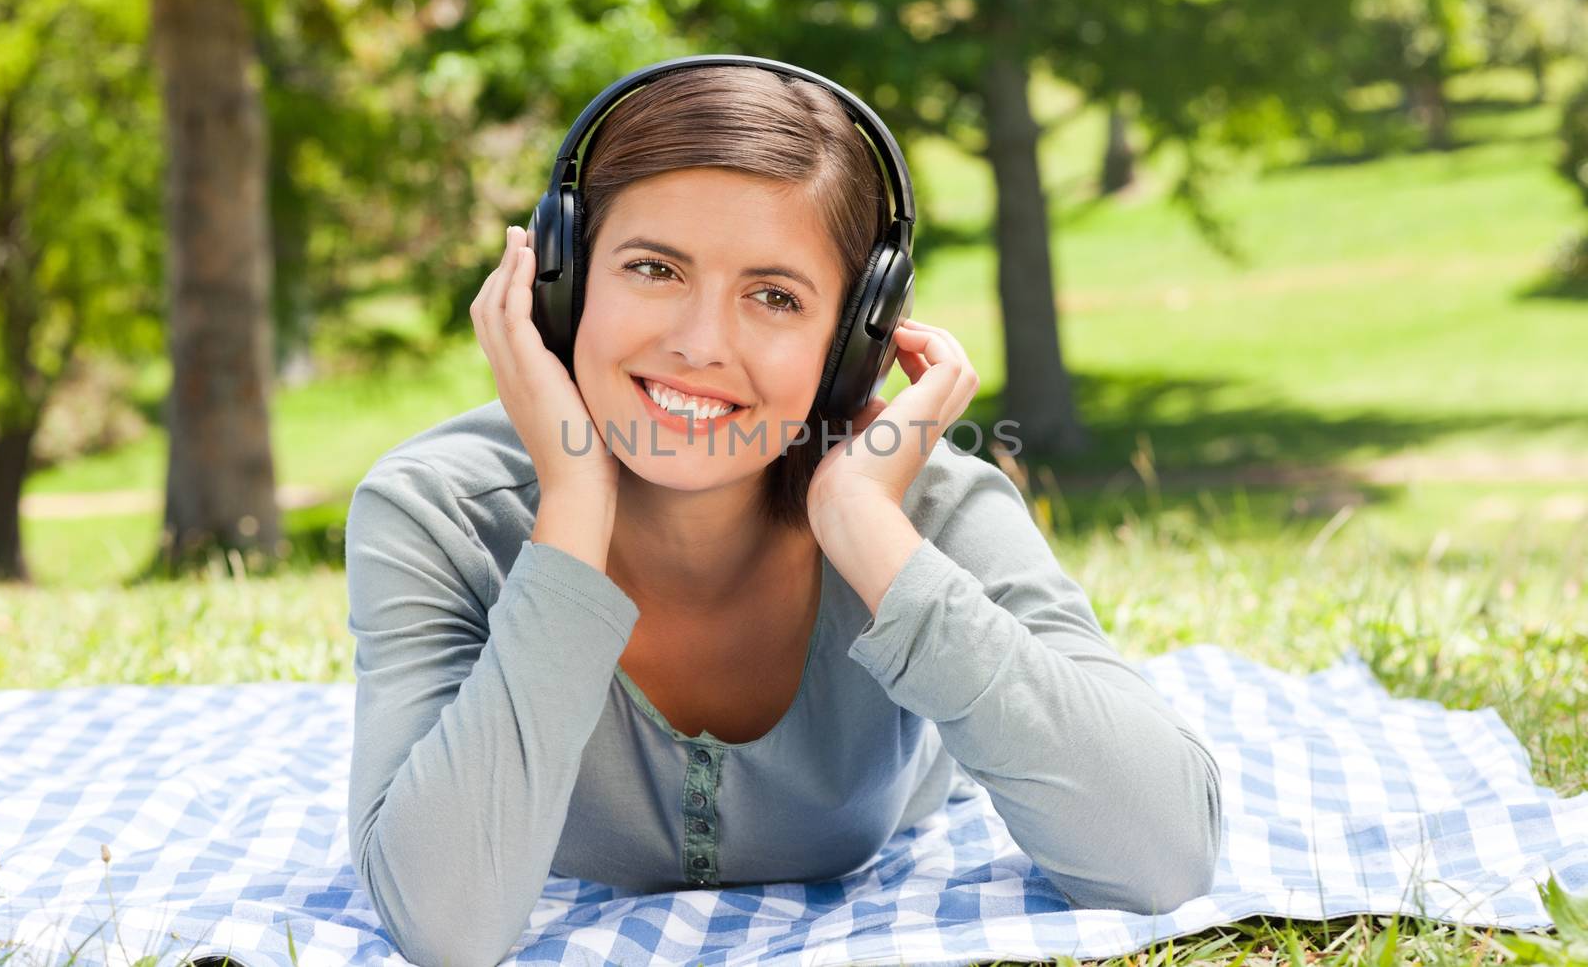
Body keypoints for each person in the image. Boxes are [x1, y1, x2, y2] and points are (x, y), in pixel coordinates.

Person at [343, 63, 1223, 967]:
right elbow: (444, 927)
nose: (699, 343)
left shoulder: (927, 504)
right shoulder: (434, 511)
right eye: (652, 267)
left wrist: (866, 526)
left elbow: (1164, 856)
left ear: (855, 343)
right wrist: (573, 502)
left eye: (775, 296)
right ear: (557, 287)